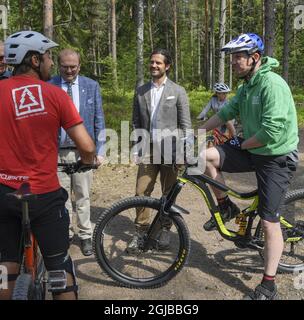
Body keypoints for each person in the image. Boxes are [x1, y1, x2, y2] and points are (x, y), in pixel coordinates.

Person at [200, 33, 299, 300]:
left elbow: (272, 131)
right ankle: (226, 206)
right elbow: (224, 113)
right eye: (231, 58)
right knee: (205, 157)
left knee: (269, 222)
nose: (233, 62)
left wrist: (241, 145)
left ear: (254, 58)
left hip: (275, 157)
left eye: (237, 58)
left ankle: (269, 284)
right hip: (253, 149)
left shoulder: (272, 84)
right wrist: (195, 131)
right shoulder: (246, 87)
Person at [0, 31, 96, 300]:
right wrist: (85, 163)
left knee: (5, 265)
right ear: (33, 60)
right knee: (58, 265)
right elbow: (87, 147)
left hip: (4, 192)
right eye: (47, 57)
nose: (51, 63)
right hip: (43, 194)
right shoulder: (54, 95)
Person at [129, 48, 192, 253]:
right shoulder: (140, 91)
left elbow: (185, 125)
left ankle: (165, 229)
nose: (154, 65)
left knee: (168, 193)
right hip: (147, 149)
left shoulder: (178, 91)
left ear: (167, 66)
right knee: (141, 191)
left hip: (171, 151)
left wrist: (185, 152)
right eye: (152, 62)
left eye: (158, 63)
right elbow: (136, 122)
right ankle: (141, 231)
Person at [50, 49, 105, 257]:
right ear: (58, 65)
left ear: (79, 66)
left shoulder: (91, 86)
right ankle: (64, 233)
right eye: (65, 66)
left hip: (84, 152)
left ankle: (84, 235)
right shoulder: (49, 86)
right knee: (60, 196)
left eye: (73, 66)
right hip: (56, 153)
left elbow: (99, 119)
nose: (69, 70)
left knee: (83, 195)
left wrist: (99, 151)